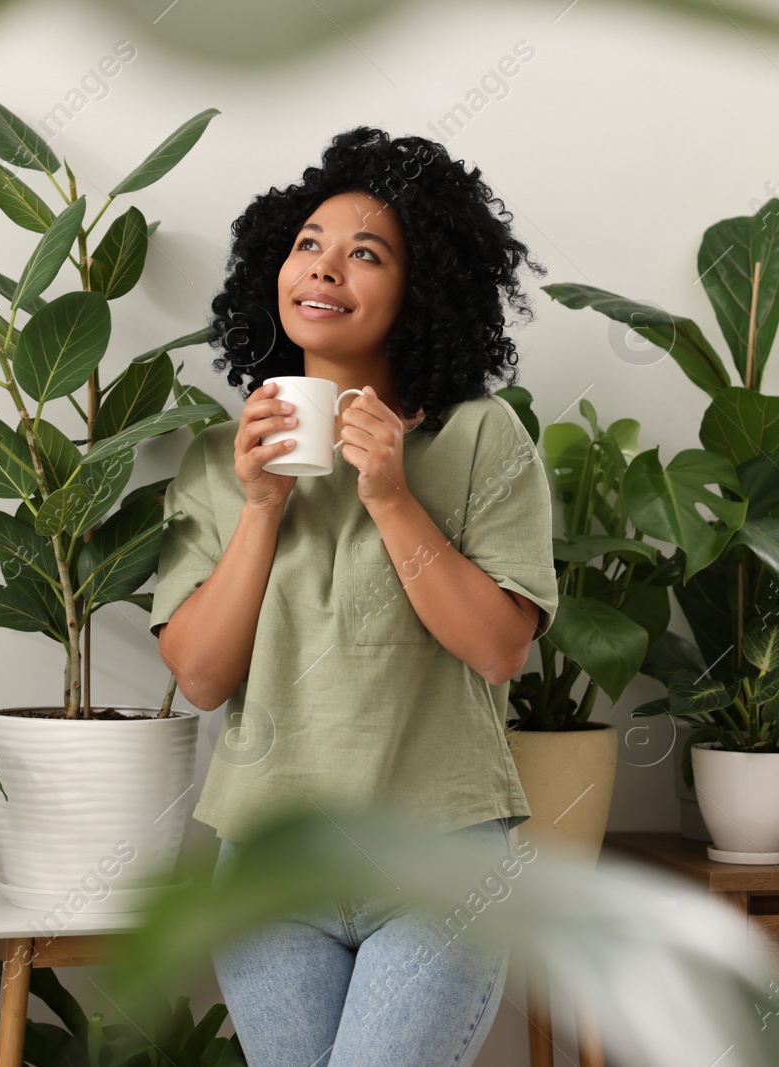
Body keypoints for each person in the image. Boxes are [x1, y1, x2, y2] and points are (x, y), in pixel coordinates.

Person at [147, 126, 559, 1067]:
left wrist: (390, 494)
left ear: (420, 291)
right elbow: (203, 676)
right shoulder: (224, 457)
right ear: (274, 273)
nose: (325, 268)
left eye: (365, 253)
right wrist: (260, 508)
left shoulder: (484, 437)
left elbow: (499, 648)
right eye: (308, 246)